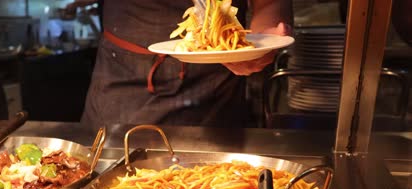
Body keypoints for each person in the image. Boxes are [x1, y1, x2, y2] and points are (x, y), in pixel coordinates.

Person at [71, 0, 292, 130]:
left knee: (219, 188)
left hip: (218, 76)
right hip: (123, 77)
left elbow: (270, 3)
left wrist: (263, 41)